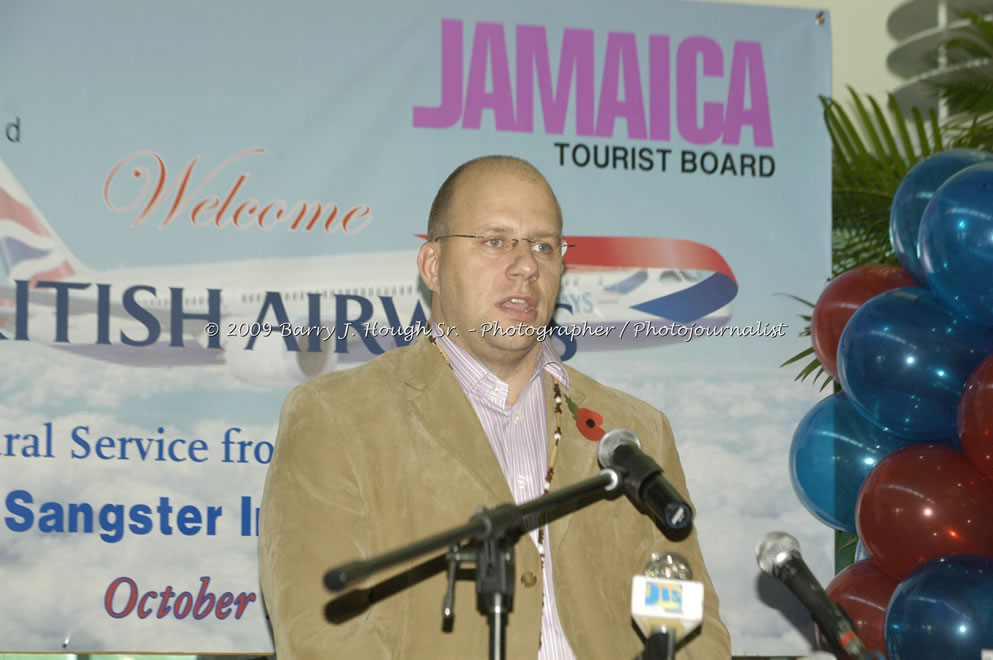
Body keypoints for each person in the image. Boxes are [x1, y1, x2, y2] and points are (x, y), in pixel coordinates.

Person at [258, 156, 731, 659]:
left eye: (544, 246)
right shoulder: (335, 417)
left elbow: (688, 624)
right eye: (494, 241)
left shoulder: (635, 432)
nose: (526, 264)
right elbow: (323, 635)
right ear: (432, 267)